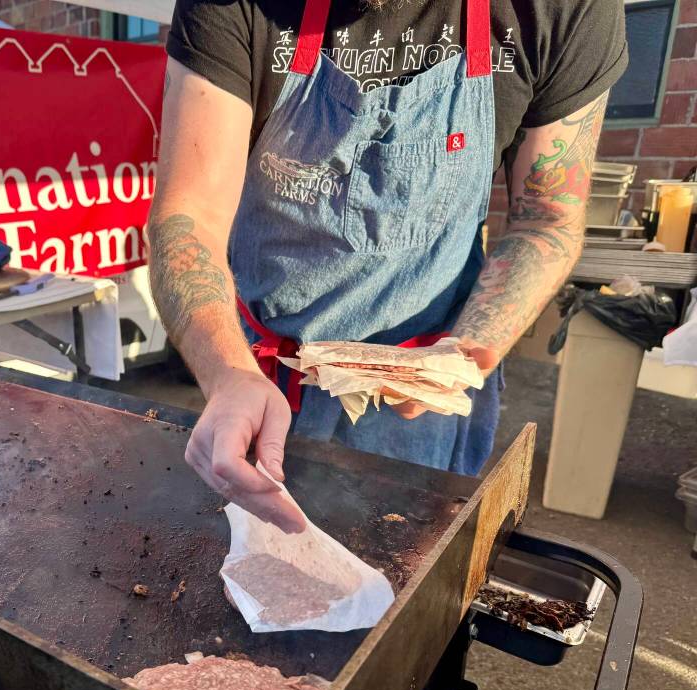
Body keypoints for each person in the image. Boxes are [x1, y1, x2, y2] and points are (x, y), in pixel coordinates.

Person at [147, 0, 627, 532]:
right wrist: (227, 374)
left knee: (408, 585)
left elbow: (546, 219)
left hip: (427, 392)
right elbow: (188, 215)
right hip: (261, 383)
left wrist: (459, 359)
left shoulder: (559, 9)